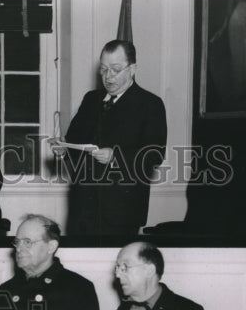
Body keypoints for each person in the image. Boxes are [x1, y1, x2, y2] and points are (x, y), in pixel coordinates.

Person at [55, 40, 167, 237]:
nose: (108, 77)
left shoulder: (150, 104)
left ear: (132, 69)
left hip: (122, 211)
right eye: (104, 69)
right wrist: (63, 150)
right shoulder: (91, 100)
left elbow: (154, 155)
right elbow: (74, 143)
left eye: (115, 69)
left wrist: (115, 156)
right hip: (83, 208)